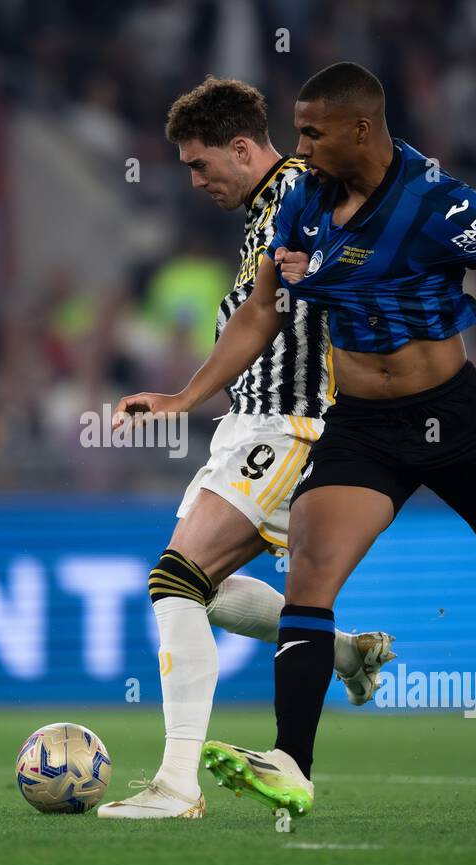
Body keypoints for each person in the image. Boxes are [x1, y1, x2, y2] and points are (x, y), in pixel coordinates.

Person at [113, 63, 476, 816]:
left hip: (457, 418)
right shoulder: (302, 205)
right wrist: (187, 394)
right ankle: (292, 760)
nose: (301, 147)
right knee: (310, 580)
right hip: (360, 427)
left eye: (313, 133)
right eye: (296, 131)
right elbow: (260, 311)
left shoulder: (437, 202)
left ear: (362, 129)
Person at [97, 77, 395, 821]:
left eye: (201, 165)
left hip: (291, 423)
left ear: (240, 148)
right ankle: (345, 652)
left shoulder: (304, 192)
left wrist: (181, 399)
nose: (195, 182)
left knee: (174, 582)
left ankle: (176, 785)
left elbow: (343, 272)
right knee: (209, 590)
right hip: (250, 423)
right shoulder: (266, 213)